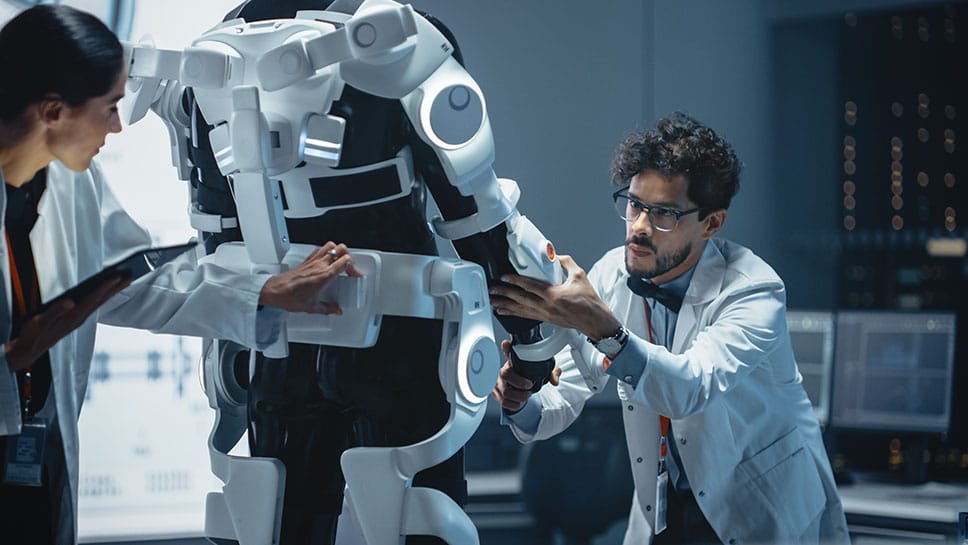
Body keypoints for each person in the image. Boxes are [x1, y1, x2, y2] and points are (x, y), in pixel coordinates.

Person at [0, 6, 357, 544]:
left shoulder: (72, 182)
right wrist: (11, 362)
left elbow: (134, 279)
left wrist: (263, 292)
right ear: (53, 111)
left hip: (36, 447)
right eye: (109, 108)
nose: (118, 127)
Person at [489, 112, 851, 545]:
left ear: (711, 223)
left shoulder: (755, 290)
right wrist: (522, 401)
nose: (639, 227)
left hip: (762, 511)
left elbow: (690, 388)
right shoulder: (611, 275)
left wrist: (603, 327)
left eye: (663, 214)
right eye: (635, 204)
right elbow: (566, 391)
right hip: (667, 513)